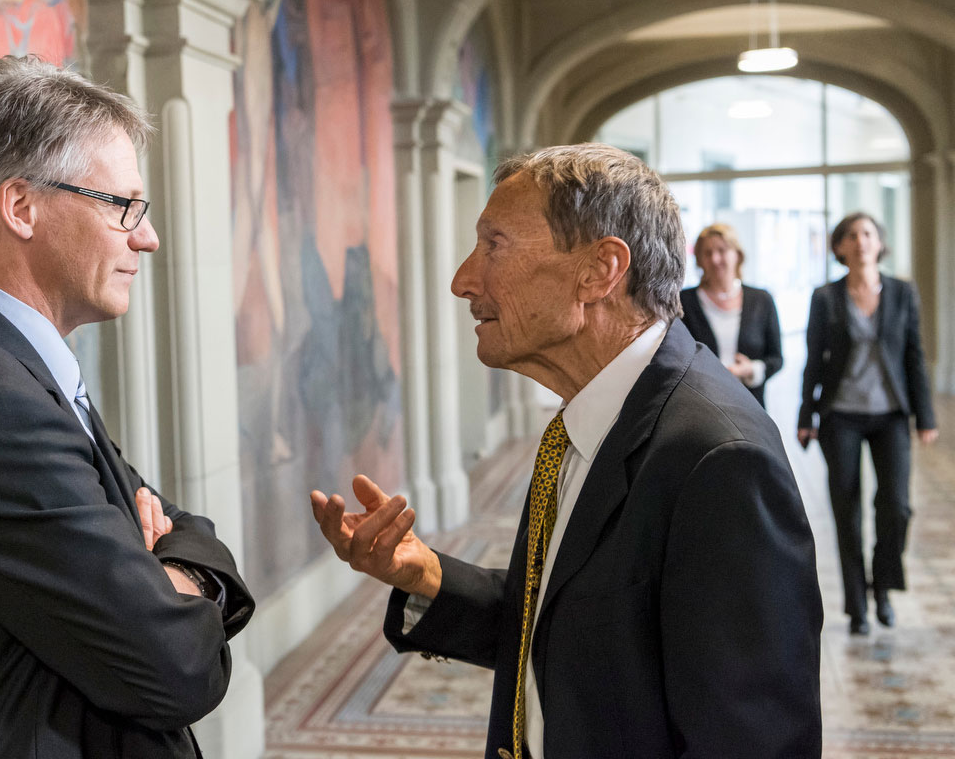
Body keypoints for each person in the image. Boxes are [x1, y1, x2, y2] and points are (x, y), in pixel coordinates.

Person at [311, 144, 823, 759]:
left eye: (493, 244)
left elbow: (751, 743)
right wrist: (427, 575)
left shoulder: (719, 460)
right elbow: (568, 619)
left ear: (600, 270)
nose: (462, 280)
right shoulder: (593, 414)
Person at [0, 57, 254, 758]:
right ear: (21, 208)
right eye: (122, 205)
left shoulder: (9, 368)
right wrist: (178, 576)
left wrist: (169, 569)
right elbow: (179, 669)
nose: (148, 236)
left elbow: (182, 523)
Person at [798, 212, 937, 635]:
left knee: (896, 506)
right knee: (846, 508)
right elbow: (813, 360)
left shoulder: (901, 292)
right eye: (851, 236)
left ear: (880, 244)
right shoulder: (825, 297)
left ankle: (882, 585)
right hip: (841, 415)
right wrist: (806, 415)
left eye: (867, 234)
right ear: (840, 247)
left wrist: (924, 416)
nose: (860, 242)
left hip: (891, 414)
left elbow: (914, 355)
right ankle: (857, 603)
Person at [679, 222, 783, 407]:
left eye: (722, 250)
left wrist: (751, 369)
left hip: (751, 406)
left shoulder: (761, 299)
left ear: (737, 255)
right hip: (701, 407)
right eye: (707, 253)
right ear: (699, 260)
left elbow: (776, 358)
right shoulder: (683, 302)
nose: (715, 258)